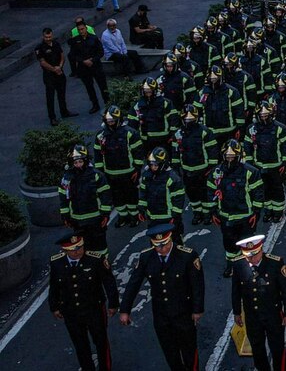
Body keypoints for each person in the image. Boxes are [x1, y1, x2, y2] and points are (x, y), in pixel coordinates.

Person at [119, 223, 205, 371]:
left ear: (170, 239)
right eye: (158, 246)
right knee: (170, 351)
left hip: (183, 312)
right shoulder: (146, 257)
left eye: (165, 244)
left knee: (189, 350)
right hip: (161, 314)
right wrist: (125, 310)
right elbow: (134, 283)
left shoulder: (187, 256)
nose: (162, 249)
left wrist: (197, 309)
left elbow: (197, 285)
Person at [49, 233, 119, 371]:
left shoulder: (96, 260)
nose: (77, 251)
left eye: (80, 247)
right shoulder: (57, 263)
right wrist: (54, 306)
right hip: (71, 311)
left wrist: (113, 304)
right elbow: (54, 286)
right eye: (73, 249)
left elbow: (109, 282)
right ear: (65, 250)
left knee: (101, 342)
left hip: (94, 309)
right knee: (80, 344)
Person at [231, 234, 286, 371]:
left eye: (255, 255)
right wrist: (236, 312)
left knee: (277, 348)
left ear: (261, 249)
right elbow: (236, 291)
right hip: (252, 316)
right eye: (248, 256)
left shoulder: (275, 264)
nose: (252, 259)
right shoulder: (238, 264)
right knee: (257, 349)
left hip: (273, 315)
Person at [209, 139, 264, 277]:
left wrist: (256, 213)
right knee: (229, 244)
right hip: (226, 216)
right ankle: (232, 264)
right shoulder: (216, 173)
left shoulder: (250, 172)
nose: (230, 159)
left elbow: (258, 193)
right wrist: (213, 211)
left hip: (245, 216)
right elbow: (211, 192)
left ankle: (250, 265)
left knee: (248, 243)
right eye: (227, 156)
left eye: (232, 156)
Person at [60, 144, 113, 255]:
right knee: (83, 244)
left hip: (95, 218)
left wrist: (105, 214)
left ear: (85, 160)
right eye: (75, 163)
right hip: (77, 220)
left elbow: (105, 196)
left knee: (99, 244)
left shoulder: (96, 175)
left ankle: (103, 263)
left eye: (80, 162)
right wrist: (65, 216)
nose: (78, 165)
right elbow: (63, 198)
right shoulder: (67, 178)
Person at [36, 27, 76, 125]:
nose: (48, 38)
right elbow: (42, 62)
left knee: (61, 94)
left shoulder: (56, 44)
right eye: (46, 37)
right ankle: (52, 118)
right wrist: (54, 69)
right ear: (43, 36)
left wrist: (60, 66)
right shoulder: (39, 47)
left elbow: (62, 56)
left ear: (52, 35)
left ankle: (64, 111)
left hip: (59, 73)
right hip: (49, 75)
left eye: (49, 36)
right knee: (50, 97)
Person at [68, 21, 109, 113]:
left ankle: (108, 103)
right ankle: (95, 105)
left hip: (96, 66)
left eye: (82, 29)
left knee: (103, 86)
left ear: (86, 28)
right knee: (89, 87)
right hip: (84, 68)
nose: (81, 31)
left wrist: (92, 60)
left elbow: (101, 52)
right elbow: (72, 55)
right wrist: (83, 61)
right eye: (79, 30)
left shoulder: (94, 38)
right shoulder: (75, 41)